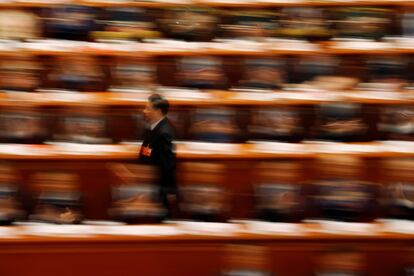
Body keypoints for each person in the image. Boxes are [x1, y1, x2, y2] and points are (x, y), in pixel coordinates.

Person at [139, 94, 177, 215]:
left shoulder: (164, 133)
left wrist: (170, 190)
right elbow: (148, 149)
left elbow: (168, 163)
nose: (144, 111)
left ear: (158, 111)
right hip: (150, 182)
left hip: (160, 187)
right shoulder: (154, 127)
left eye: (148, 108)